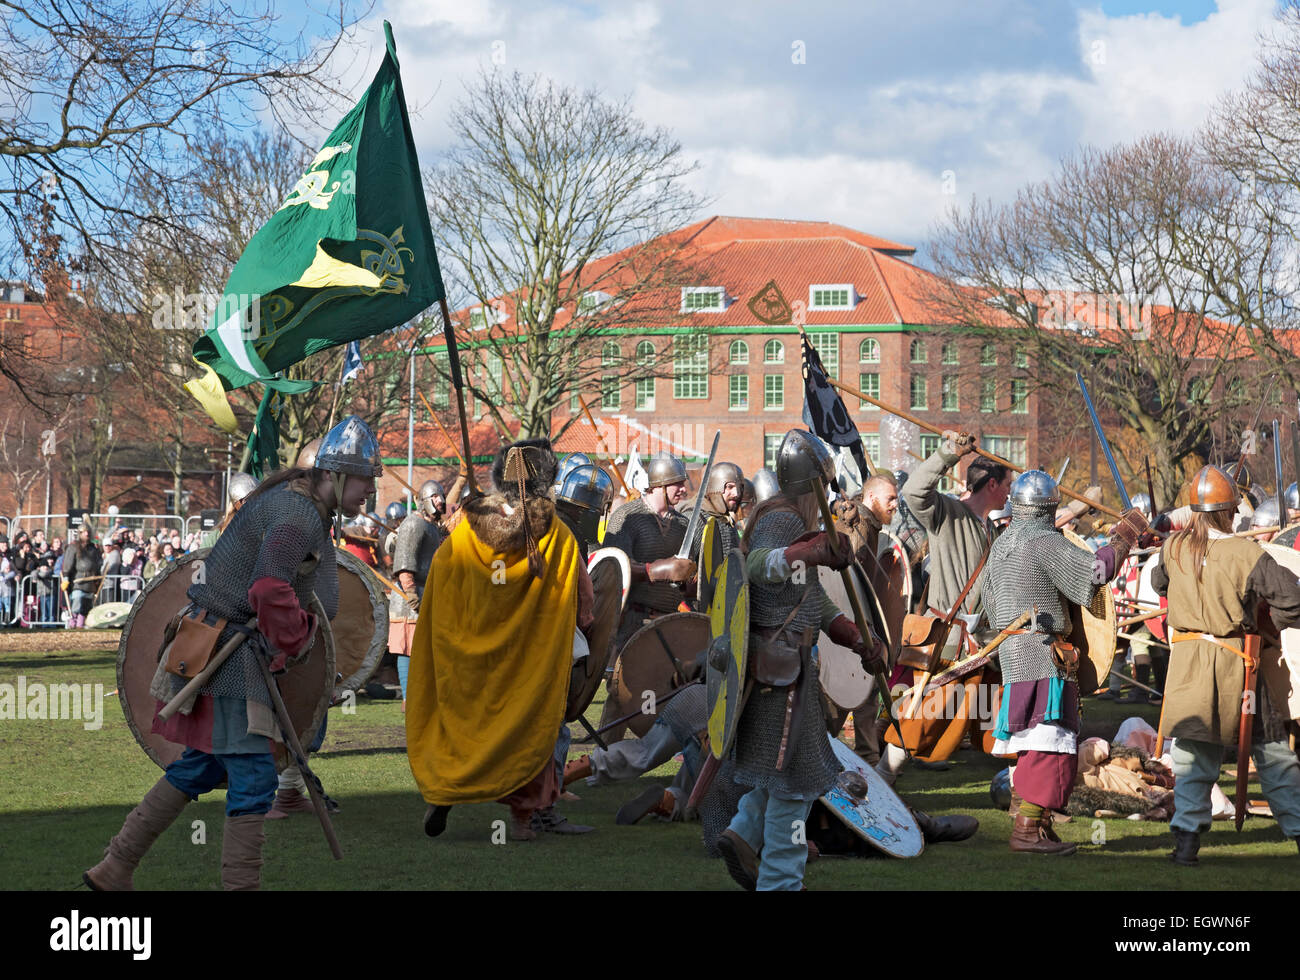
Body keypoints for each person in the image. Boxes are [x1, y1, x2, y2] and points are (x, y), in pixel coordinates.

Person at [82, 414, 379, 891]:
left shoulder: (295, 505)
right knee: (256, 776)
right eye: (366, 479)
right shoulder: (297, 515)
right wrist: (298, 634)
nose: (371, 490)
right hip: (229, 656)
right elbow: (268, 587)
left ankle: (115, 866)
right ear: (335, 474)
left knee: (205, 764)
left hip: (215, 645)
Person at [716, 429, 884, 891]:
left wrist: (854, 638)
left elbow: (811, 602)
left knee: (780, 774)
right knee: (794, 788)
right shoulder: (783, 519)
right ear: (816, 483)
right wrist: (807, 550)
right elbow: (752, 566)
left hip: (786, 670)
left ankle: (741, 832)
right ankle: (780, 884)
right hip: (781, 675)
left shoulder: (791, 519)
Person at [407, 438, 594, 842]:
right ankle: (521, 823)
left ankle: (446, 793)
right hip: (527, 659)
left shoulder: (465, 526)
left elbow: (442, 581)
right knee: (526, 731)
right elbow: (582, 597)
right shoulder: (556, 534)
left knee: (464, 725)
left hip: (471, 654)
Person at [983, 469, 1148, 855]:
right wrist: (1122, 539)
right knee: (1047, 744)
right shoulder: (1043, 543)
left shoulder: (1001, 545)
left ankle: (1039, 827)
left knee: (1037, 743)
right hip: (1042, 655)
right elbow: (1095, 574)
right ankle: (1026, 832)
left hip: (1015, 652)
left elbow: (990, 607)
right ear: (1048, 508)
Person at [1150, 465, 1300, 866]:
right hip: (1240, 669)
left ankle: (1186, 845)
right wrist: (1269, 624)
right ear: (1230, 512)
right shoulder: (1246, 552)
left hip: (1188, 666)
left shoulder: (1173, 548)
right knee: (1272, 753)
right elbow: (1293, 598)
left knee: (1192, 759)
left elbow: (1159, 585)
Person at [602, 451, 696, 657]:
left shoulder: (682, 524)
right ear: (660, 484)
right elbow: (613, 568)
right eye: (677, 484)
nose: (683, 489)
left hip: (670, 620)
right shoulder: (628, 517)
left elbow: (688, 578)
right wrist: (655, 571)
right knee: (627, 686)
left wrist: (690, 581)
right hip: (634, 620)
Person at [390, 479, 450, 702]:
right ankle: (409, 699)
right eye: (435, 497)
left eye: (441, 496)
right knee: (409, 650)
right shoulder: (413, 524)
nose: (441, 501)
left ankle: (422, 698)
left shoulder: (431, 527)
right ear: (424, 501)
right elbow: (405, 563)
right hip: (409, 599)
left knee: (424, 651)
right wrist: (412, 595)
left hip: (427, 594)